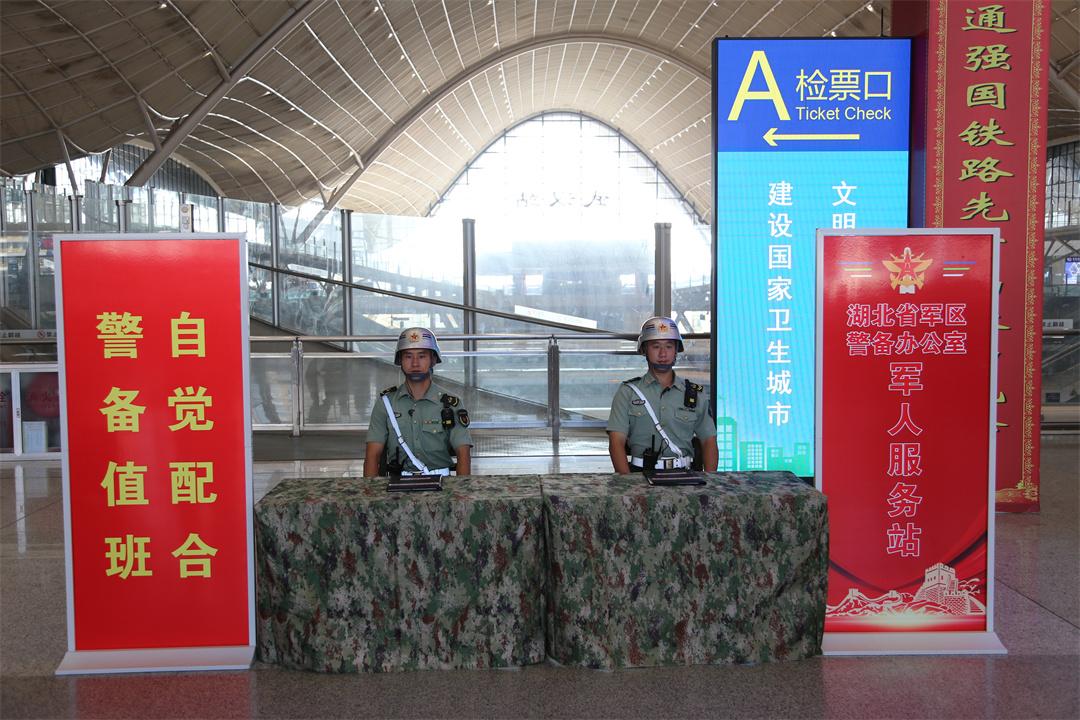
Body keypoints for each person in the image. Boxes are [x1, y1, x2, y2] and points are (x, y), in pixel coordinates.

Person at [607, 316, 718, 474]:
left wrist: (710, 480)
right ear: (644, 350)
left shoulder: (694, 394)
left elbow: (708, 440)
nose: (663, 353)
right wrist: (627, 482)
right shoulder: (627, 392)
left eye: (669, 346)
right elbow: (616, 442)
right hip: (640, 475)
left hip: (684, 476)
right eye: (656, 346)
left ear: (676, 350)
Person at [363, 327, 473, 477]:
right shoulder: (386, 403)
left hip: (441, 482)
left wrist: (461, 488)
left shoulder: (450, 404)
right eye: (408, 356)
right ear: (400, 361)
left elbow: (463, 454)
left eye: (422, 356)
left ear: (433, 360)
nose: (415, 363)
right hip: (398, 483)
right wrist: (370, 489)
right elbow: (372, 455)